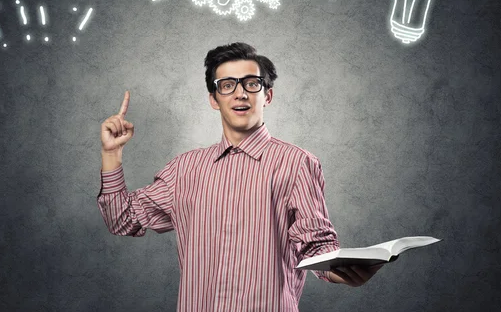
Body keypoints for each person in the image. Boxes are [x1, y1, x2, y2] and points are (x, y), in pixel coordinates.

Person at [97, 42, 383, 311]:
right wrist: (111, 154)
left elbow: (316, 246)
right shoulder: (184, 170)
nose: (241, 93)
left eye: (252, 83)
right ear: (213, 99)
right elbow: (122, 220)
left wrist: (342, 273)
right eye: (227, 85)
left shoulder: (297, 163)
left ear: (267, 95)